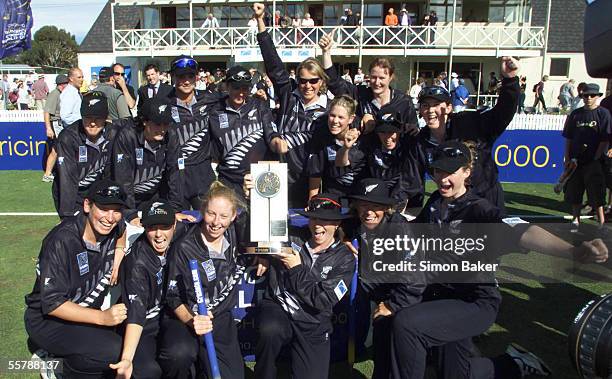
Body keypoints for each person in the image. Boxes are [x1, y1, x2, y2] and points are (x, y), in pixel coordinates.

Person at [389, 141, 607, 378]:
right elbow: (415, 231)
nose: (443, 178)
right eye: (439, 171)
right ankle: (513, 364)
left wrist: (573, 251)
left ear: (466, 172)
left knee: (407, 324)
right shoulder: (435, 204)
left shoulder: (479, 210)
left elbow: (523, 232)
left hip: (474, 302)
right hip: (441, 297)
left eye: (451, 171)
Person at [24, 179, 128, 378]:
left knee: (128, 344)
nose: (110, 217)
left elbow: (122, 229)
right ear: (87, 205)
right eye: (104, 209)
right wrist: (102, 318)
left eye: (116, 210)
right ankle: (55, 366)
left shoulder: (114, 225)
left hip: (83, 313)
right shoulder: (62, 240)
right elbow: (53, 304)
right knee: (112, 350)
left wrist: (119, 251)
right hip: (46, 319)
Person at [250, 193, 356, 379]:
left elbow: (322, 300)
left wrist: (296, 268)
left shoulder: (345, 258)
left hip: (314, 321)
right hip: (280, 307)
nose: (317, 225)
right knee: (270, 330)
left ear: (337, 223)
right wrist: (251, 196)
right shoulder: (292, 236)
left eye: (325, 220)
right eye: (314, 218)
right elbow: (258, 229)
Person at [410, 56, 520, 211]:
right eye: (425, 105)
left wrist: (510, 79)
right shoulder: (420, 142)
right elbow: (414, 181)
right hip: (452, 204)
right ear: (420, 110)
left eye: (436, 105)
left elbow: (503, 113)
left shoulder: (469, 123)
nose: (430, 110)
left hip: (487, 198)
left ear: (449, 108)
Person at [161, 182, 246, 379]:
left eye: (224, 216)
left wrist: (262, 256)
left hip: (219, 319)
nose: (216, 222)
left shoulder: (235, 233)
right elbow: (172, 297)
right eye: (211, 214)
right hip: (187, 319)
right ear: (202, 211)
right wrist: (193, 321)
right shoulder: (184, 247)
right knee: (179, 355)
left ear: (233, 217)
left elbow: (263, 235)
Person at [344, 178, 426, 378]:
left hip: (402, 298)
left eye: (375, 206)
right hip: (375, 293)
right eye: (363, 205)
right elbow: (338, 223)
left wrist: (392, 305)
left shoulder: (399, 229)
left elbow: (415, 279)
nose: (369, 211)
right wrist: (343, 237)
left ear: (387, 208)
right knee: (380, 348)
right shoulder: (357, 221)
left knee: (392, 343)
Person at [254, 2, 332, 207]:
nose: (307, 86)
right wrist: (261, 21)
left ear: (321, 82)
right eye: (303, 80)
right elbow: (273, 63)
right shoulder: (289, 96)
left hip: (308, 181)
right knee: (270, 234)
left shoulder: (329, 109)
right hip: (275, 174)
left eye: (313, 81)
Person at [110, 201, 178, 379]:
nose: (158, 234)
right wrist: (127, 359)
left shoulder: (182, 235)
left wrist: (260, 252)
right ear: (143, 227)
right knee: (149, 372)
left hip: (170, 316)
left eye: (164, 227)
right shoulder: (137, 263)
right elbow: (137, 312)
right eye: (152, 227)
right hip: (144, 323)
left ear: (175, 225)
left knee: (183, 354)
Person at [320, 33, 418, 135]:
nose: (377, 82)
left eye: (382, 78)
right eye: (373, 77)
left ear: (391, 78)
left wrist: (376, 122)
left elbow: (413, 132)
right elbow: (334, 83)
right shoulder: (360, 94)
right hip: (364, 150)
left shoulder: (404, 101)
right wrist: (326, 52)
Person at [207, 65, 278, 200]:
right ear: (227, 87)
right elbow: (214, 151)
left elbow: (272, 134)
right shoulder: (215, 112)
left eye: (245, 88)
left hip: (259, 178)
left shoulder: (259, 106)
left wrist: (277, 141)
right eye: (236, 88)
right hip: (228, 180)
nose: (241, 93)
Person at [109, 97, 183, 225]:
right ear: (144, 121)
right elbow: (123, 178)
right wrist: (130, 214)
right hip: (128, 199)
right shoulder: (127, 136)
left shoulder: (171, 135)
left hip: (153, 196)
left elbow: (175, 173)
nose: (162, 129)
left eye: (166, 124)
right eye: (157, 124)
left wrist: (174, 209)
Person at [165, 55, 218, 210]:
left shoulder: (209, 99)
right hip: (175, 177)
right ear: (173, 77)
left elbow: (235, 99)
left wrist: (255, 98)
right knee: (179, 228)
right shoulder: (163, 104)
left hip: (203, 176)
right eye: (181, 76)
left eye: (190, 76)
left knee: (207, 222)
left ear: (196, 77)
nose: (186, 81)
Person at [53, 92, 118, 218]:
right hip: (74, 195)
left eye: (98, 118)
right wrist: (67, 216)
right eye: (88, 117)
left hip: (99, 194)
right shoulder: (68, 138)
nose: (92, 123)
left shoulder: (114, 133)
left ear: (105, 118)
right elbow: (67, 181)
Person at [562, 83, 611, 230]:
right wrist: (567, 157)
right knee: (574, 191)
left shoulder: (603, 114)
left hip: (595, 161)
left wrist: (596, 158)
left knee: (597, 193)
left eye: (592, 95)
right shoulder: (575, 114)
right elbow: (569, 137)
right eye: (585, 95)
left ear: (598, 96)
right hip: (576, 161)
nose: (588, 98)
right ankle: (575, 219)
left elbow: (605, 139)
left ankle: (601, 222)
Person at [360, 113, 423, 210]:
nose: (387, 137)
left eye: (391, 132)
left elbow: (411, 179)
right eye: (383, 132)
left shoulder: (410, 146)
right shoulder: (369, 145)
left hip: (406, 201)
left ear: (400, 131)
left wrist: (397, 199)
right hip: (376, 199)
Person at [307, 95, 365, 199]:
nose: (335, 121)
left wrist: (346, 147)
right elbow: (316, 173)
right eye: (332, 115)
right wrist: (312, 201)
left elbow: (342, 163)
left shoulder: (361, 138)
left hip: (359, 195)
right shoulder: (323, 137)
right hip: (333, 194)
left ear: (351, 119)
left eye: (341, 117)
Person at [42, 74, 70, 183]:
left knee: (57, 148)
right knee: (57, 148)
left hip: (61, 123)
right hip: (56, 123)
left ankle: (49, 173)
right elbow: (47, 112)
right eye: (62, 84)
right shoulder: (54, 94)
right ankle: (48, 173)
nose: (64, 86)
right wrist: (48, 128)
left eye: (65, 84)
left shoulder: (63, 94)